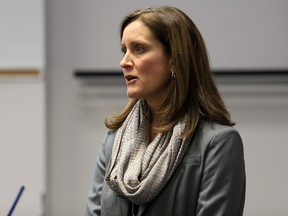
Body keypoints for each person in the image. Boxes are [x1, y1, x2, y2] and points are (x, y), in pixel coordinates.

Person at [85, 6, 245, 216]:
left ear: (174, 59)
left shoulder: (219, 143)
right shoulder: (113, 142)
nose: (124, 62)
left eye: (139, 49)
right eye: (124, 50)